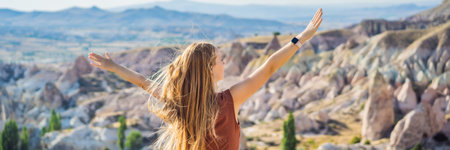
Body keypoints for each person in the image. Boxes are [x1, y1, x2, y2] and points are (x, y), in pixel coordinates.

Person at [88, 8, 322, 150]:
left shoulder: (181, 104)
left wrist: (114, 67)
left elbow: (143, 82)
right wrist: (301, 38)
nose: (224, 63)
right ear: (210, 69)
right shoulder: (230, 101)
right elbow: (269, 67)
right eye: (220, 60)